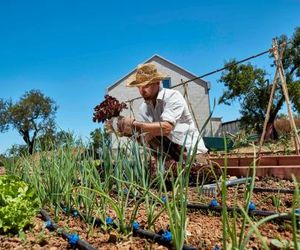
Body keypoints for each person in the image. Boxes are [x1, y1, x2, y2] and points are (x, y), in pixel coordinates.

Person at [116, 63, 221, 181]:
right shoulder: (144, 108)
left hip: (190, 152)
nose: (142, 90)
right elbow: (148, 136)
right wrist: (130, 133)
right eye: (139, 86)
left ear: (157, 82)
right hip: (169, 154)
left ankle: (196, 169)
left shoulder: (172, 97)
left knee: (200, 176)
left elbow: (166, 128)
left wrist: (135, 124)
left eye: (146, 85)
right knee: (145, 134)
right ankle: (167, 167)